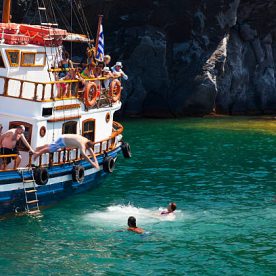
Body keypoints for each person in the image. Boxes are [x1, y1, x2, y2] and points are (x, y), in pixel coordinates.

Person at [33, 134, 99, 169]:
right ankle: (38, 154)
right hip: (63, 141)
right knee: (52, 149)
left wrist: (95, 161)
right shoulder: (82, 144)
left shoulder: (86, 140)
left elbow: (91, 151)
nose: (87, 149)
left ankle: (38, 148)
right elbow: (84, 155)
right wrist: (92, 163)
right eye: (87, 147)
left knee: (51, 145)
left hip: (63, 137)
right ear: (87, 145)